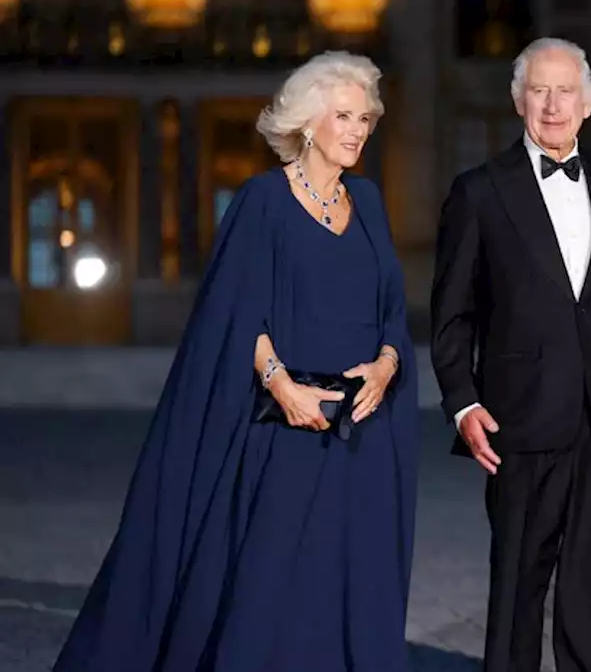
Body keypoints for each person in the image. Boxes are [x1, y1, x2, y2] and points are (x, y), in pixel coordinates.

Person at [53, 51, 420, 672]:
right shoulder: (263, 202)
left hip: (363, 437)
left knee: (350, 589)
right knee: (270, 591)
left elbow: (391, 310)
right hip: (287, 431)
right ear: (307, 121)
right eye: (344, 115)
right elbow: (231, 312)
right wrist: (282, 388)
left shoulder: (370, 203)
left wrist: (387, 365)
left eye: (366, 118)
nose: (358, 129)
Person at [429, 37, 591, 672]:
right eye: (540, 90)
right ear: (517, 101)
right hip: (519, 424)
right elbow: (451, 317)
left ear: (588, 103)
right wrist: (462, 404)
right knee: (515, 596)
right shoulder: (478, 192)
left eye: (566, 91)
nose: (554, 105)